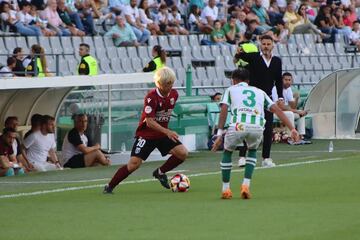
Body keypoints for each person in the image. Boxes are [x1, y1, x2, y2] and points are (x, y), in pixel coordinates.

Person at [211, 69, 299, 199]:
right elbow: (276, 109)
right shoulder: (260, 92)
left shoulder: (230, 89)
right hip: (257, 126)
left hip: (238, 125)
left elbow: (224, 109)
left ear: (233, 80)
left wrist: (219, 133)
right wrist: (292, 128)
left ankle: (226, 189)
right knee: (252, 151)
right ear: (248, 81)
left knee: (228, 151)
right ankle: (246, 186)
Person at [104, 67, 189, 194]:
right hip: (146, 135)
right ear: (159, 84)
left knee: (182, 153)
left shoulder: (174, 94)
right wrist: (167, 131)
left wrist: (165, 132)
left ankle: (160, 173)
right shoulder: (151, 98)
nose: (170, 87)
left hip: (161, 134)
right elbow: (149, 122)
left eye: (171, 83)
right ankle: (110, 186)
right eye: (167, 84)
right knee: (134, 164)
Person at [234, 35, 283, 168]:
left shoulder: (277, 61)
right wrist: (239, 51)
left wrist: (280, 97)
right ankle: (242, 157)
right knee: (247, 126)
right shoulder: (255, 57)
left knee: (267, 129)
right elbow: (240, 57)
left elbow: (278, 80)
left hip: (267, 98)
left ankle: (266, 158)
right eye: (264, 44)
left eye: (268, 44)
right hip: (252, 98)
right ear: (260, 45)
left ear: (273, 45)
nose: (266, 46)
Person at [272, 72, 307, 139]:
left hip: (285, 112)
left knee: (302, 114)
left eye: (289, 80)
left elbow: (293, 106)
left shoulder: (289, 89)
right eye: (286, 80)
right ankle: (291, 136)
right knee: (291, 113)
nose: (288, 82)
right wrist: (296, 111)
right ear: (282, 80)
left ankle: (301, 135)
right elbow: (280, 107)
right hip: (275, 112)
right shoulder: (275, 88)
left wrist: (296, 98)